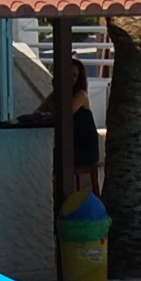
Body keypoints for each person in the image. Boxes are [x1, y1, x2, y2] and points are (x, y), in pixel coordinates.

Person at [63, 61, 101, 201]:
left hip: (85, 152)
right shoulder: (59, 94)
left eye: (75, 76)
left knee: (55, 157)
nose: (72, 79)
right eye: (69, 75)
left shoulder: (81, 95)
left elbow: (64, 115)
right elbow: (39, 111)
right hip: (72, 148)